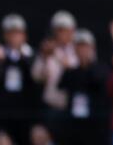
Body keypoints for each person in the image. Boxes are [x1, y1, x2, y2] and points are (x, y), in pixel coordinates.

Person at [0, 14, 37, 145]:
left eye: (17, 33)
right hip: (4, 113)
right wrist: (1, 62)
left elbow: (35, 79)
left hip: (27, 113)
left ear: (24, 35)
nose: (14, 37)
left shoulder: (31, 55)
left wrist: (14, 58)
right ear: (4, 35)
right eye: (11, 33)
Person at [31, 11, 79, 139]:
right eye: (59, 30)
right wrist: (45, 58)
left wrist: (57, 57)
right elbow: (37, 76)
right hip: (52, 108)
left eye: (66, 30)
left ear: (72, 31)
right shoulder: (47, 51)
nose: (62, 34)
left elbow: (79, 70)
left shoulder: (79, 49)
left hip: (75, 107)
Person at [57, 30, 110, 145]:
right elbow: (61, 86)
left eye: (86, 47)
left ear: (92, 48)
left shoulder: (100, 68)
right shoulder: (71, 72)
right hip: (74, 124)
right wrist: (66, 68)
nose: (83, 50)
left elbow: (98, 80)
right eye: (79, 47)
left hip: (94, 125)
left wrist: (88, 63)